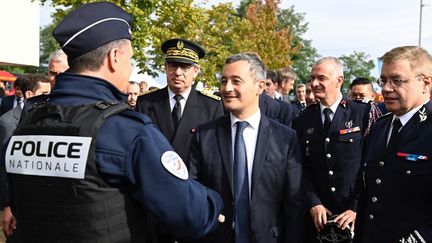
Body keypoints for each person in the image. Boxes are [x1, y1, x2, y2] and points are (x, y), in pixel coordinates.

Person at [2, 2, 222, 242]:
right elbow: (193, 215)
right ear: (114, 57)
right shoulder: (125, 131)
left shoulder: (27, 123)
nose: (130, 68)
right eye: (131, 59)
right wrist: (215, 201)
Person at [189, 53, 304, 243]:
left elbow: (294, 203)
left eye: (236, 81)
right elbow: (194, 190)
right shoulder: (204, 135)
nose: (227, 88)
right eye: (224, 81)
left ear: (260, 86)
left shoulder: (285, 138)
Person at [355, 46, 432, 243]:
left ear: (425, 83)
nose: (386, 88)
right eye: (383, 80)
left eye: (397, 80)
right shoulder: (380, 127)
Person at [292, 57, 373, 243]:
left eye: (321, 78)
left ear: (339, 80)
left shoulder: (362, 114)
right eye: (312, 78)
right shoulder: (303, 119)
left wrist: (355, 207)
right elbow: (299, 167)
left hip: (354, 218)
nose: (314, 84)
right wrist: (313, 203)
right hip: (319, 220)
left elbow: (370, 165)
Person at [135, 38, 224, 164]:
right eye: (173, 65)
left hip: (193, 180)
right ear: (165, 67)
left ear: (196, 70)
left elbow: (215, 154)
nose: (177, 72)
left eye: (185, 67)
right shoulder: (145, 103)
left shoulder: (211, 106)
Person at [0, 74, 51, 239]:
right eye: (44, 93)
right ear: (29, 95)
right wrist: (8, 205)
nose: (48, 98)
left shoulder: (47, 118)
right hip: (18, 201)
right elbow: (4, 165)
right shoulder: (7, 122)